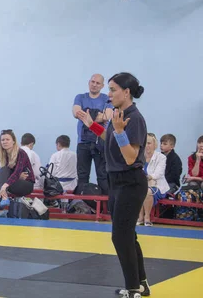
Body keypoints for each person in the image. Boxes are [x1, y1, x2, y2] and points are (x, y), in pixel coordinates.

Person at [77, 72, 149, 298]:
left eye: (113, 89)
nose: (109, 94)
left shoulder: (134, 118)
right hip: (116, 182)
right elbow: (110, 137)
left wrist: (119, 131)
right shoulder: (120, 114)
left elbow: (130, 156)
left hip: (130, 182)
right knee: (128, 234)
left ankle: (133, 287)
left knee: (120, 236)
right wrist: (91, 125)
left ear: (126, 92)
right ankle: (141, 284)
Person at [72, 74, 113, 194]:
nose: (94, 85)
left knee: (103, 176)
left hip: (100, 142)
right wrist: (98, 116)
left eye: (98, 83)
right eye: (93, 82)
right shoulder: (80, 97)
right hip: (83, 143)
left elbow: (108, 116)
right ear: (89, 82)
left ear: (102, 86)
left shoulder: (106, 99)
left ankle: (106, 207)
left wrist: (89, 118)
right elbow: (76, 113)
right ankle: (81, 205)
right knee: (82, 176)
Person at [0, 130, 36, 202]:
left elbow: (16, 172)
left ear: (13, 141)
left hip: (27, 184)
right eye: (2, 140)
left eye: (7, 139)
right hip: (15, 181)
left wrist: (4, 186)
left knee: (2, 180)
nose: (4, 142)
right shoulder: (4, 154)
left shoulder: (20, 152)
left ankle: (4, 199)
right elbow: (7, 173)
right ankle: (1, 207)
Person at [138, 133, 169, 227]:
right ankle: (140, 217)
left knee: (147, 191)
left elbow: (159, 173)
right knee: (135, 191)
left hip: (157, 185)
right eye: (145, 143)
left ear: (154, 145)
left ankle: (147, 217)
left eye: (149, 143)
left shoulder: (161, 157)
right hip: (141, 184)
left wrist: (148, 177)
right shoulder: (139, 156)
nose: (146, 146)